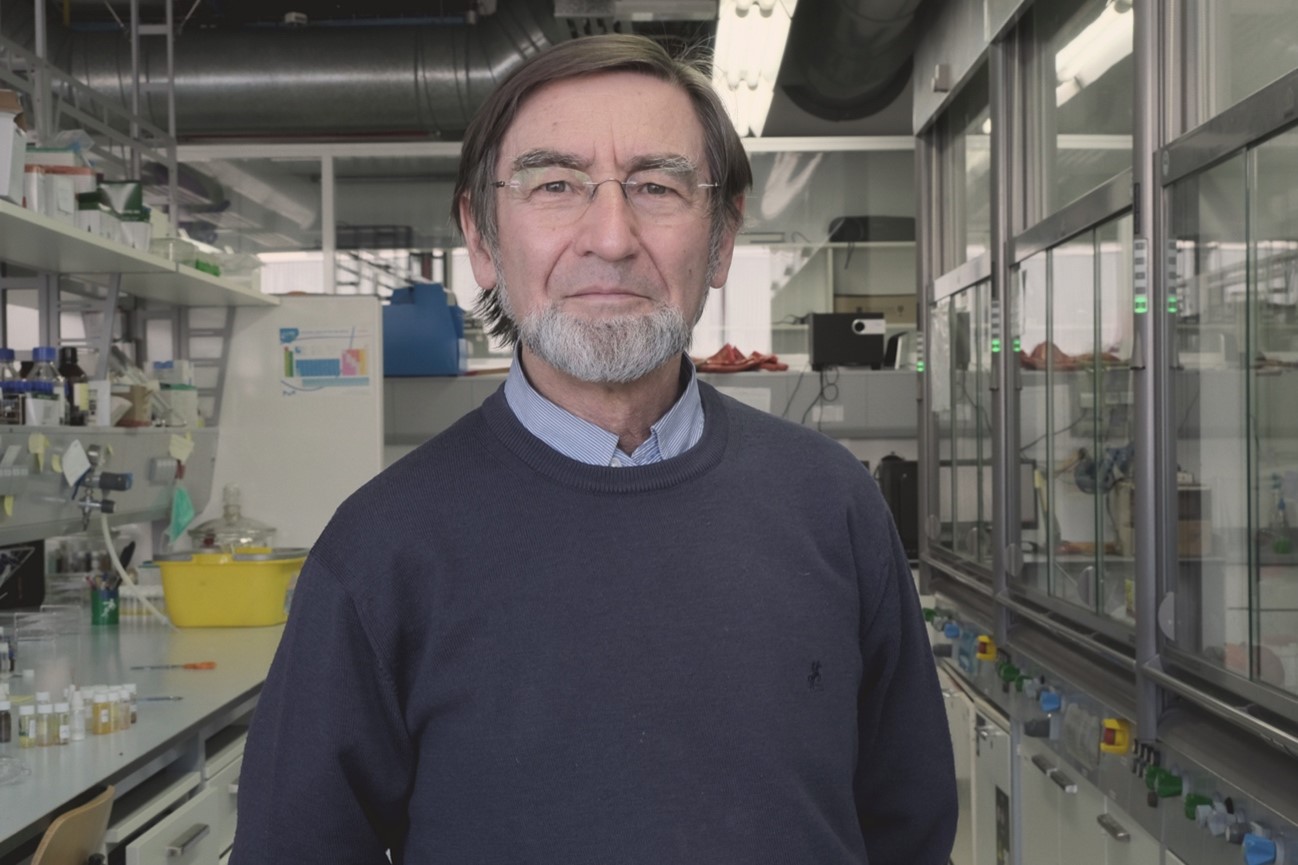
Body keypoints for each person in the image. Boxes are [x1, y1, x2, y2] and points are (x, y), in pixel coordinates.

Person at [231, 33, 956, 865]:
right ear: (482, 239)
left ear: (722, 238)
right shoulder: (379, 550)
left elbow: (910, 826)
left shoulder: (833, 504)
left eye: (657, 186)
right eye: (554, 184)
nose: (610, 236)